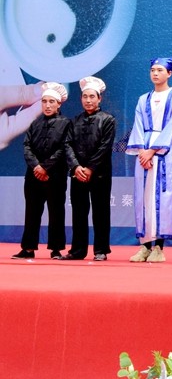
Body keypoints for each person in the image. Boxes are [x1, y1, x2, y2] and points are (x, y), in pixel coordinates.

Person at [126, 58, 172, 263]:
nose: (155, 73)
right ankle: (144, 246)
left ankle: (159, 247)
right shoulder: (143, 99)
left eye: (160, 70)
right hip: (143, 151)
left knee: (162, 197)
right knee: (143, 197)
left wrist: (152, 151)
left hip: (164, 152)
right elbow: (138, 125)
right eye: (152, 70)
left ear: (169, 73)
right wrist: (142, 151)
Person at [12, 82, 72, 260]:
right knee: (31, 211)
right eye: (44, 101)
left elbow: (64, 148)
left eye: (51, 101)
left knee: (56, 212)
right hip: (33, 175)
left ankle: (56, 249)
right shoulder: (35, 123)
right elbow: (27, 146)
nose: (47, 105)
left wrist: (45, 167)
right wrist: (36, 166)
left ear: (59, 104)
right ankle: (28, 248)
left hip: (56, 176)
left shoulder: (66, 124)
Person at [61, 76, 116, 261]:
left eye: (92, 96)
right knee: (78, 212)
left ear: (99, 98)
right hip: (78, 174)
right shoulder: (74, 121)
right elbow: (67, 145)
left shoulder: (108, 120)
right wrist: (76, 167)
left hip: (100, 174)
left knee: (101, 211)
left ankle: (101, 250)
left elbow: (105, 147)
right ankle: (78, 250)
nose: (88, 100)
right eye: (85, 96)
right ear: (81, 99)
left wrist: (90, 168)